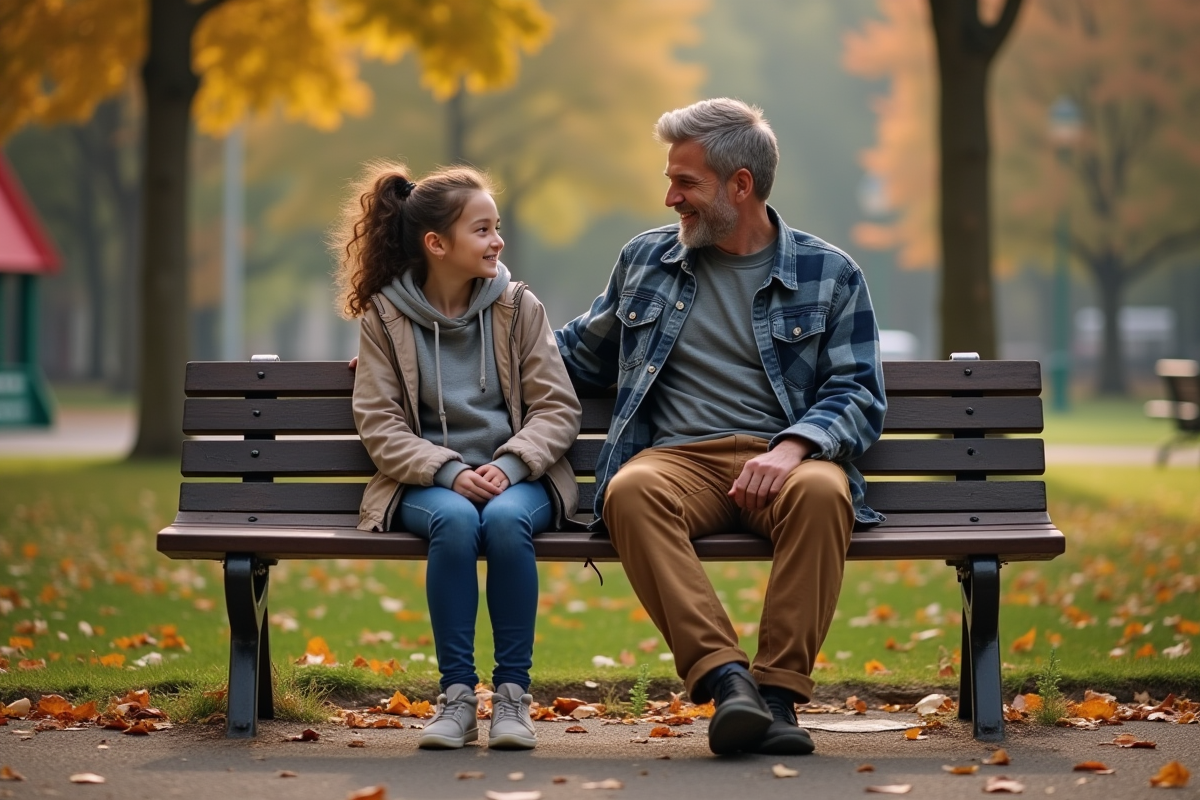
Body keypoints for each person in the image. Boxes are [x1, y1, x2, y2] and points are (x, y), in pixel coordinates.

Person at [555, 98, 886, 756]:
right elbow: (569, 355)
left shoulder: (831, 273)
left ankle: (778, 696)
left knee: (826, 492)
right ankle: (727, 680)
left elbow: (858, 390)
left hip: (789, 461)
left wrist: (793, 448)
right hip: (680, 462)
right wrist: (436, 355)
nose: (671, 197)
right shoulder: (646, 260)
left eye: (686, 183)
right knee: (628, 490)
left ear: (741, 185)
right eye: (670, 179)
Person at [334, 161, 582, 751]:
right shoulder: (385, 318)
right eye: (482, 229)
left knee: (500, 518)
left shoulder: (519, 308)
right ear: (436, 244)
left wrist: (511, 464)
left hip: (518, 479)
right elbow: (379, 423)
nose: (498, 240)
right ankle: (458, 698)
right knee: (454, 517)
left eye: (496, 227)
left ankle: (514, 698)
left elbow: (557, 408)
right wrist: (449, 471)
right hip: (428, 484)